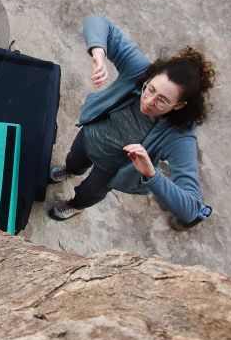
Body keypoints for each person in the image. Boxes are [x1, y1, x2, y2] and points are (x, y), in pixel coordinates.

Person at [49, 15, 215, 227]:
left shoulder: (179, 135)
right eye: (151, 89)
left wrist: (151, 174)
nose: (148, 101)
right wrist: (98, 52)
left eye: (162, 101)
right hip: (90, 135)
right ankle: (71, 170)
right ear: (152, 77)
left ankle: (77, 204)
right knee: (74, 160)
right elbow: (99, 23)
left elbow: (191, 208)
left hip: (110, 170)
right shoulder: (140, 71)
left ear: (179, 105)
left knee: (90, 191)